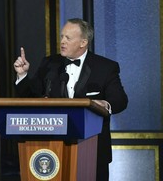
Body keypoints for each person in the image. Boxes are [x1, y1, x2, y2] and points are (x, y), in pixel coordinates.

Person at [13, 18, 128, 181]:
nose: (62, 42)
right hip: (53, 150)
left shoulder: (105, 67)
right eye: (61, 37)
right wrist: (22, 75)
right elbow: (30, 97)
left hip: (93, 150)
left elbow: (120, 100)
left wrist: (105, 104)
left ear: (83, 42)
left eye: (68, 38)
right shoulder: (49, 63)